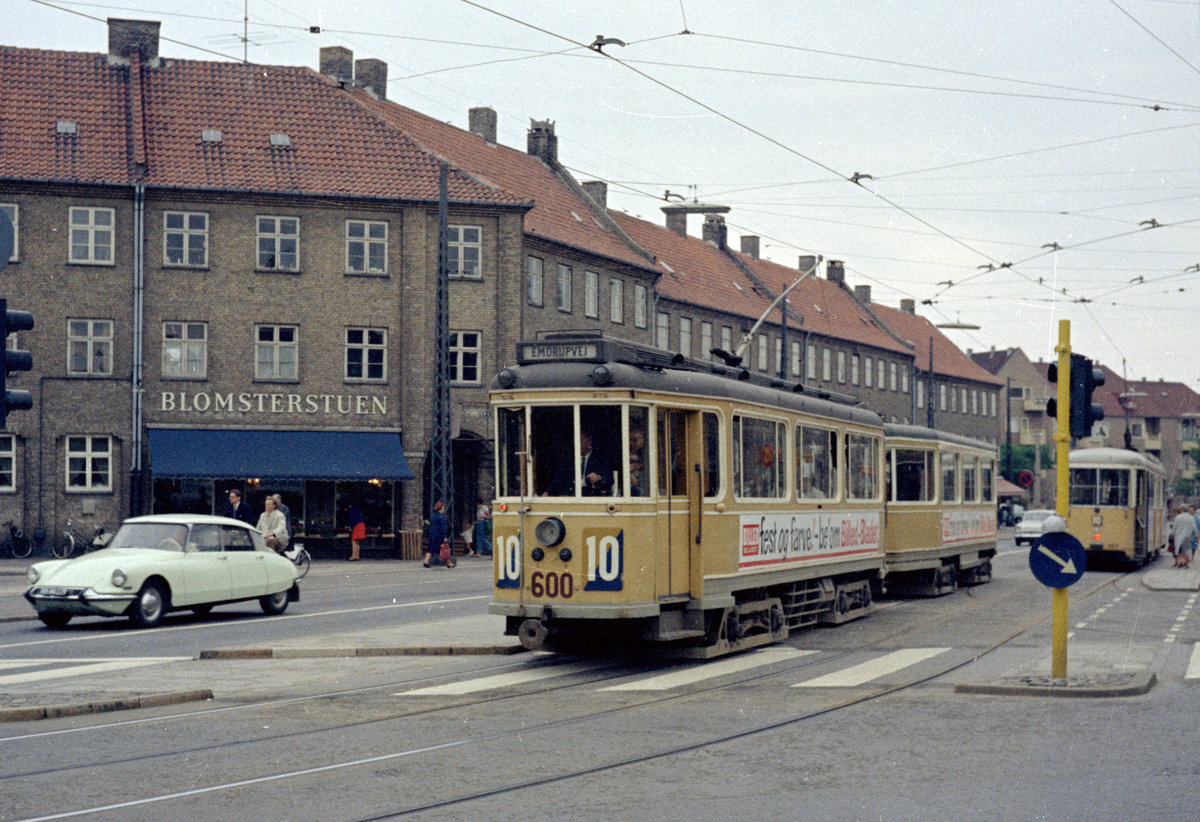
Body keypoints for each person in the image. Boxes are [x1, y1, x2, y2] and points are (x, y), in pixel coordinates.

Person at [544, 429, 612, 496]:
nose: (576, 444)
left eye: (580, 440)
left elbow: (609, 480)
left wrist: (598, 478)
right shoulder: (569, 460)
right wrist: (548, 492)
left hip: (592, 497)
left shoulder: (600, 459)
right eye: (575, 441)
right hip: (572, 497)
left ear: (589, 441)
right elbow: (559, 480)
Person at [1171, 504, 1196, 569]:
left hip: (1179, 537)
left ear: (1182, 510)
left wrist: (1172, 534)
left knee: (1180, 550)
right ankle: (1186, 564)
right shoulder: (1191, 518)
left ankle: (1181, 562)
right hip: (1188, 537)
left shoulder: (1178, 517)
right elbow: (1194, 528)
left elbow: (1174, 527)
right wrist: (1195, 534)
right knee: (1187, 550)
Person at [426, 500, 448, 568]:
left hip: (432, 534)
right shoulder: (442, 517)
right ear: (441, 508)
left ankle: (426, 561)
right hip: (439, 535)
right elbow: (443, 527)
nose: (444, 509)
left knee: (431, 548)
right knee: (444, 548)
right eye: (443, 508)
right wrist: (445, 536)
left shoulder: (433, 516)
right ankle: (448, 562)